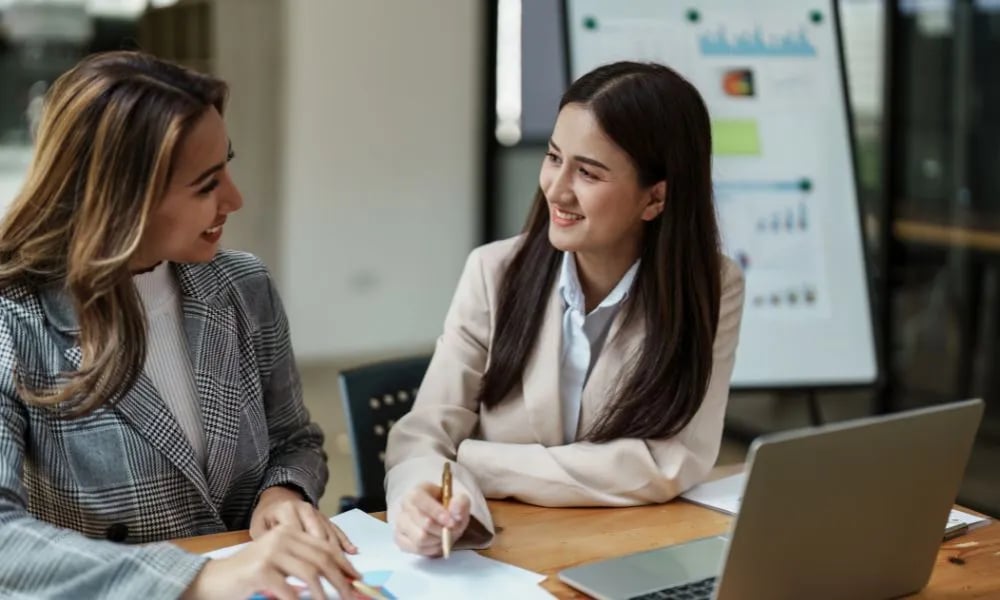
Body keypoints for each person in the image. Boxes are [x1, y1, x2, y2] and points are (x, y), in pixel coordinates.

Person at [0, 51, 359, 600]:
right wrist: (196, 579)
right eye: (206, 184)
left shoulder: (243, 286)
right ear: (120, 198)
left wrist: (283, 494)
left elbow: (294, 438)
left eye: (228, 167)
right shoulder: (13, 319)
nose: (235, 199)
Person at [385, 61, 746, 556]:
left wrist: (478, 462)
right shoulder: (493, 272)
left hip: (631, 547)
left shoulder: (712, 286)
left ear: (655, 198)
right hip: (505, 550)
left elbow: (670, 463)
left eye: (588, 172)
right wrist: (425, 498)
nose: (556, 188)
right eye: (554, 157)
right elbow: (422, 438)